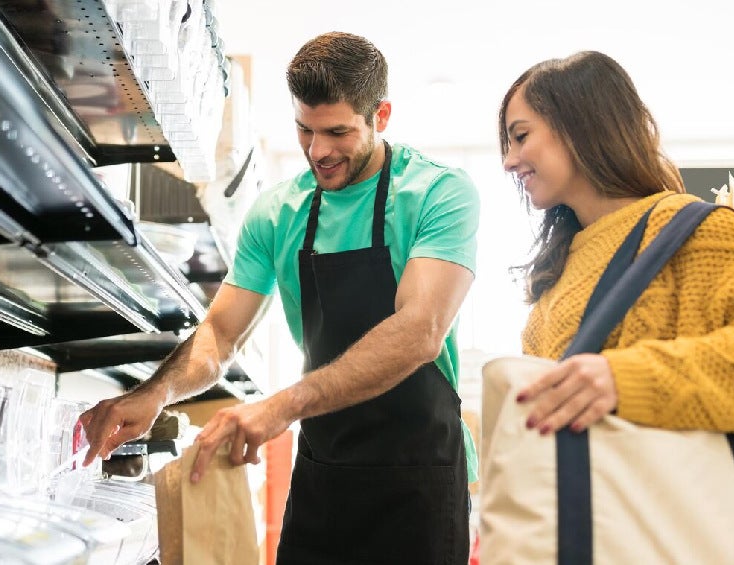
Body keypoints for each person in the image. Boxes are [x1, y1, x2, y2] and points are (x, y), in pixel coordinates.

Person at [81, 31, 479, 564]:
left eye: (337, 132)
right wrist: (157, 393)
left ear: (380, 116)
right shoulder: (277, 213)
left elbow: (420, 331)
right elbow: (221, 334)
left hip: (420, 477)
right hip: (324, 474)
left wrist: (283, 405)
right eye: (304, 130)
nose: (318, 151)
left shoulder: (438, 193)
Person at [497, 50, 734, 435]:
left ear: (580, 127)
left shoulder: (692, 230)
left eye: (520, 136)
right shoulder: (563, 260)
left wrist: (624, 379)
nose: (508, 160)